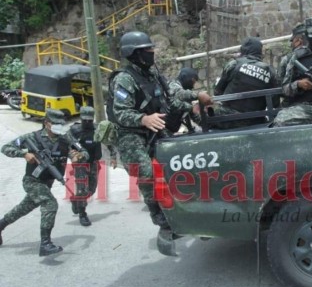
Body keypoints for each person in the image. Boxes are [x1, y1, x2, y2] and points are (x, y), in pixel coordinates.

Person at [110, 31, 179, 229]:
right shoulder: (124, 79)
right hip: (130, 133)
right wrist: (143, 119)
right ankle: (155, 210)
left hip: (154, 126)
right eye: (147, 50)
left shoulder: (152, 73)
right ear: (135, 53)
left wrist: (191, 101)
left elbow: (170, 95)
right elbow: (121, 113)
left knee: (179, 154)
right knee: (147, 172)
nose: (152, 52)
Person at [0, 109, 88, 256]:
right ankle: (45, 244)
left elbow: (84, 152)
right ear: (47, 123)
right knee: (50, 203)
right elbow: (5, 148)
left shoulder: (66, 139)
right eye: (56, 123)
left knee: (24, 208)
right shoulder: (32, 137)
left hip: (47, 182)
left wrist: (78, 156)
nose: (59, 126)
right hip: (32, 180)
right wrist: (24, 153)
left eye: (61, 123)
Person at [211, 36, 279, 129]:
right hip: (255, 122)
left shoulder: (234, 64)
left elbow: (217, 92)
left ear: (243, 49)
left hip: (226, 119)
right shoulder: (271, 72)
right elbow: (275, 102)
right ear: (259, 51)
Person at [69, 106, 118, 227]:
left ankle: (76, 199)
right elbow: (66, 145)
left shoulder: (98, 129)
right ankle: (82, 214)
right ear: (81, 118)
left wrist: (113, 157)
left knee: (91, 190)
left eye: (89, 120)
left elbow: (108, 142)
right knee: (83, 189)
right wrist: (72, 156)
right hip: (81, 164)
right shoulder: (74, 130)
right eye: (84, 120)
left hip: (94, 163)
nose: (87, 123)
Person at [167, 67, 213, 132]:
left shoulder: (186, 95)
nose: (193, 86)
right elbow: (181, 94)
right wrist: (199, 94)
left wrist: (209, 124)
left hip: (171, 130)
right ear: (184, 77)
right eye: (192, 81)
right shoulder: (172, 85)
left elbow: (193, 114)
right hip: (162, 129)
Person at [278, 23, 307, 105]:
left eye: (292, 40)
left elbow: (279, 86)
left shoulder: (287, 59)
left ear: (299, 41)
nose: (291, 44)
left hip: (295, 105)